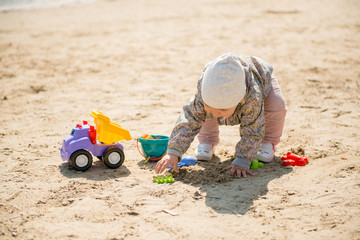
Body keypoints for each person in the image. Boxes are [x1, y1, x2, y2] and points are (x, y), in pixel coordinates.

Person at [155, 53, 287, 178]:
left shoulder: (252, 98)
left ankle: (268, 142)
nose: (216, 114)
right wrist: (173, 151)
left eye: (222, 110)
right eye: (211, 107)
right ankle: (207, 140)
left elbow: (253, 129)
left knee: (276, 105)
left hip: (262, 79)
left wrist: (243, 160)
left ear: (240, 101)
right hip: (215, 91)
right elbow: (188, 120)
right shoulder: (203, 96)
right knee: (202, 112)